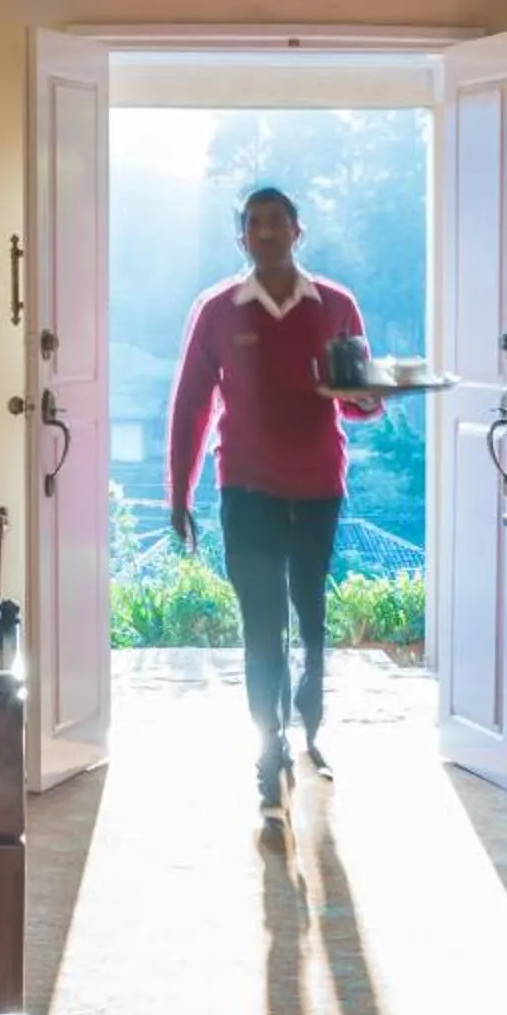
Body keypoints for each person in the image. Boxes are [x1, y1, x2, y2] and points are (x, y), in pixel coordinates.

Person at [165, 187, 381, 815]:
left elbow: (360, 402)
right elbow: (191, 408)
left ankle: (310, 713)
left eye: (276, 222)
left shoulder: (337, 306)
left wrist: (361, 394)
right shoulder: (217, 311)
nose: (266, 233)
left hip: (318, 486)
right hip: (247, 489)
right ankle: (269, 750)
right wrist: (180, 493)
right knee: (262, 626)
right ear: (242, 239)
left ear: (297, 231)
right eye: (254, 224)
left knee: (309, 618)